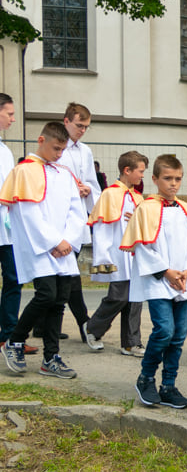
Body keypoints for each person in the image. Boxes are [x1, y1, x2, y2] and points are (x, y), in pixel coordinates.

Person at [122, 155, 187, 409]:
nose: (173, 184)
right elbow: (142, 246)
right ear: (155, 179)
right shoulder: (146, 209)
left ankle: (169, 385)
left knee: (179, 335)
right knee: (164, 330)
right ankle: (146, 377)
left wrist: (186, 271)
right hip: (158, 280)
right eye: (167, 179)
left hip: (182, 280)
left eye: (178, 179)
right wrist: (166, 272)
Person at [0, 122, 85, 379]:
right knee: (46, 295)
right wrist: (53, 242)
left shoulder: (63, 172)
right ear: (41, 140)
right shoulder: (26, 171)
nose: (59, 154)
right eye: (56, 148)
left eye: (63, 150)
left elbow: (76, 210)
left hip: (63, 247)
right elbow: (28, 213)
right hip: (40, 247)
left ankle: (51, 357)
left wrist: (68, 240)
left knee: (60, 299)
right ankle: (14, 341)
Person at [83, 151, 147, 355]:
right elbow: (102, 229)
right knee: (118, 297)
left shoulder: (138, 196)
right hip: (117, 255)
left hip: (135, 256)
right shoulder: (110, 194)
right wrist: (103, 258)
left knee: (135, 299)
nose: (142, 176)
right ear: (127, 170)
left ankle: (131, 342)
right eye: (140, 171)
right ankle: (93, 328)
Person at [49, 102, 101, 344]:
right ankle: (84, 323)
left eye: (87, 127)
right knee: (67, 276)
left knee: (65, 276)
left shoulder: (85, 151)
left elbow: (93, 182)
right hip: (57, 218)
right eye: (79, 125)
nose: (82, 130)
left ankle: (45, 325)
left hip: (77, 216)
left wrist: (87, 188)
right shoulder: (55, 146)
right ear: (66, 121)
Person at [0, 94, 37, 356]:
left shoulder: (5, 150)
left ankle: (8, 335)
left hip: (6, 227)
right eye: (9, 114)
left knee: (13, 280)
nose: (13, 119)